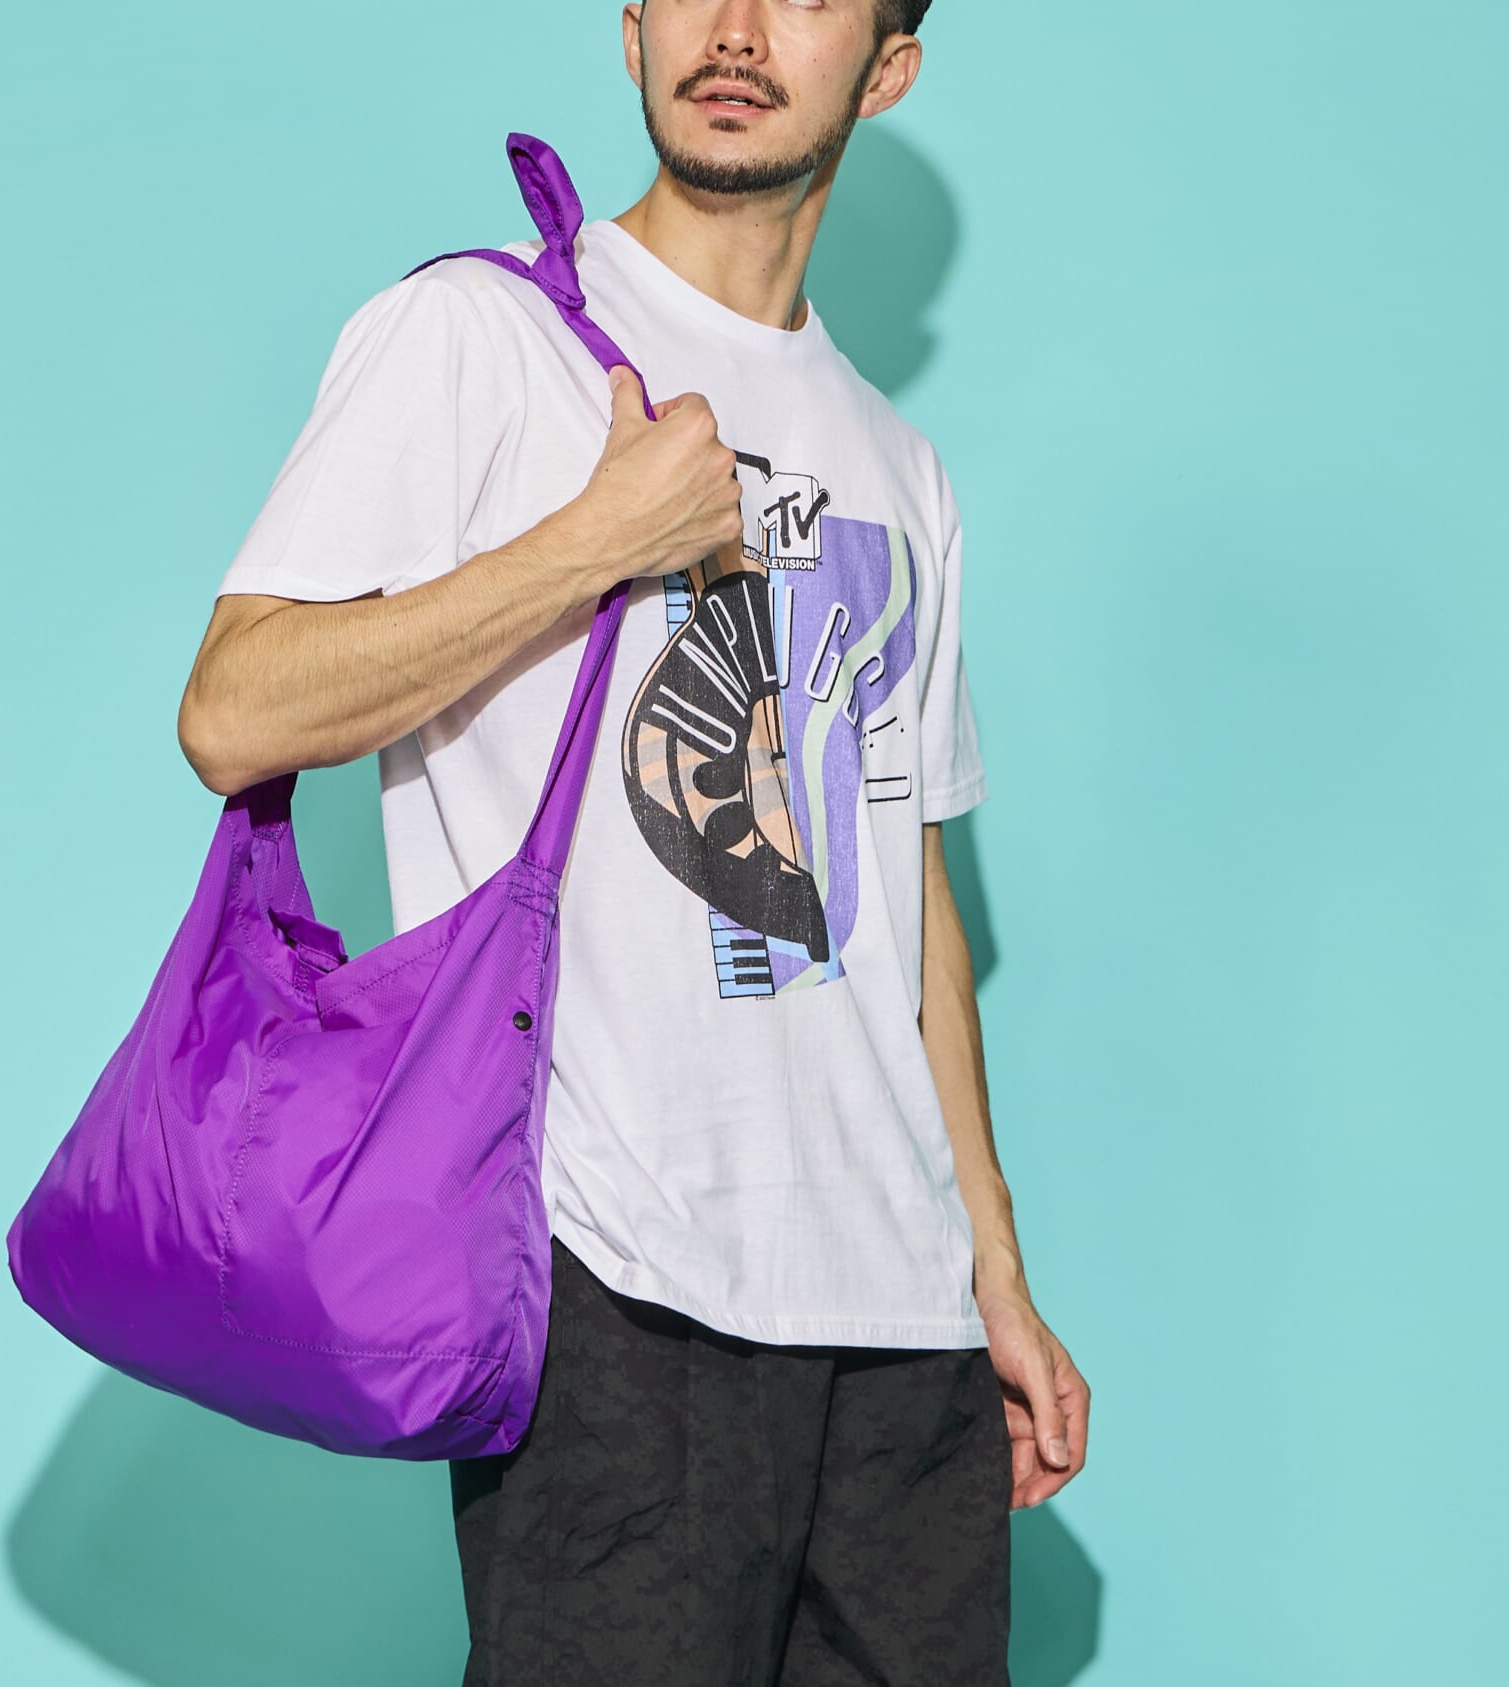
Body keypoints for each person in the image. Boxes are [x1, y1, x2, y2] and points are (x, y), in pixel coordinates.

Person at [177, 3, 1088, 1681]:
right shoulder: (483, 336)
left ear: (887, 69)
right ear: (631, 29)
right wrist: (595, 541)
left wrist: (995, 1272)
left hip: (906, 1332)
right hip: (618, 1277)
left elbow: (908, 895)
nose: (735, 29)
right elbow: (235, 710)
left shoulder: (903, 466)